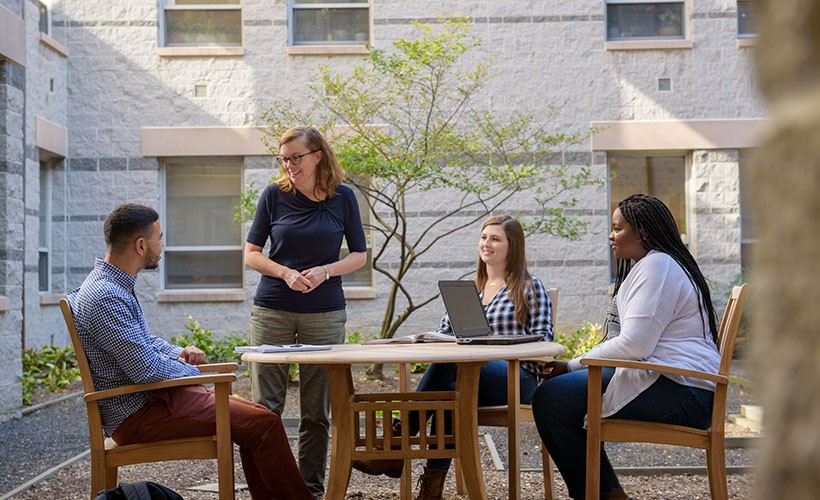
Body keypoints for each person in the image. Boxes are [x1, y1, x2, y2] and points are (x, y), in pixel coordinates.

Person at [68, 203, 313, 500]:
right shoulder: (105, 295)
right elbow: (144, 368)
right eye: (160, 237)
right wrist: (192, 373)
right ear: (141, 245)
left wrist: (178, 352)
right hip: (140, 413)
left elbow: (144, 342)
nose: (163, 245)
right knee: (264, 425)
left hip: (156, 400)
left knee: (260, 419)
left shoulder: (110, 286)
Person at [531, 194, 720, 500]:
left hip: (685, 391)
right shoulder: (657, 264)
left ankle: (602, 494)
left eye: (618, 228)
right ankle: (607, 493)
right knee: (561, 397)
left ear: (642, 232)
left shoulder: (658, 265)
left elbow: (635, 344)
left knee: (554, 399)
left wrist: (572, 365)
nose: (611, 235)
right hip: (679, 384)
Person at [353, 214, 553, 499]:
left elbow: (545, 342)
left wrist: (500, 346)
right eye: (484, 237)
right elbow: (445, 333)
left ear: (513, 246)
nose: (487, 243)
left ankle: (397, 445)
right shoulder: (469, 288)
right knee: (448, 396)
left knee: (450, 368)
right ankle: (431, 490)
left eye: (495, 238)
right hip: (467, 379)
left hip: (517, 379)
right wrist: (428, 339)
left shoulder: (530, 287)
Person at [244, 125, 367, 498]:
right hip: (273, 310)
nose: (289, 165)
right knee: (265, 410)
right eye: (284, 159)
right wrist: (284, 272)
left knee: (317, 413)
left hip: (325, 313)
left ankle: (308, 491)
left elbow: (359, 255)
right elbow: (251, 254)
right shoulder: (273, 196)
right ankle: (267, 490)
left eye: (296, 157)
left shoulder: (343, 198)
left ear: (317, 155)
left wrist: (326, 270)